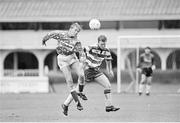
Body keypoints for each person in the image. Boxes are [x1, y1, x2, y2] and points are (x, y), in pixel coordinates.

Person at [61, 35, 120, 116]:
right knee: (78, 91)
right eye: (101, 44)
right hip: (87, 71)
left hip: (96, 71)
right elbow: (81, 50)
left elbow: (108, 61)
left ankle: (109, 106)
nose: (103, 46)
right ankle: (65, 105)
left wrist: (110, 70)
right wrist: (80, 58)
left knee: (108, 86)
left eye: (104, 44)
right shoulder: (92, 47)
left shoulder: (107, 50)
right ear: (98, 42)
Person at [42, 23, 87, 116]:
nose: (76, 33)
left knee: (82, 75)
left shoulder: (76, 41)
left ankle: (80, 92)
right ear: (70, 29)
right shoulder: (61, 34)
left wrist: (82, 61)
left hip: (72, 58)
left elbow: (82, 53)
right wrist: (44, 39)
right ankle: (77, 103)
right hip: (62, 59)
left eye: (77, 31)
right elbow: (51, 34)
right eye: (75, 30)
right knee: (69, 81)